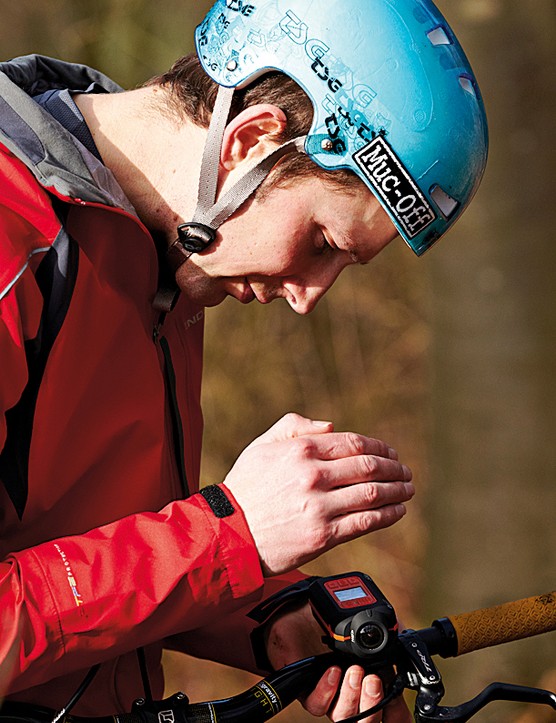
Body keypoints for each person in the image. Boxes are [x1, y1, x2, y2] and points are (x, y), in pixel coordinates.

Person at [0, 0, 488, 720]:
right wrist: (230, 533)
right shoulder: (17, 239)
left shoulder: (161, 261)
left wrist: (268, 617)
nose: (306, 297)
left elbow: (81, 548)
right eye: (323, 241)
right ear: (250, 141)